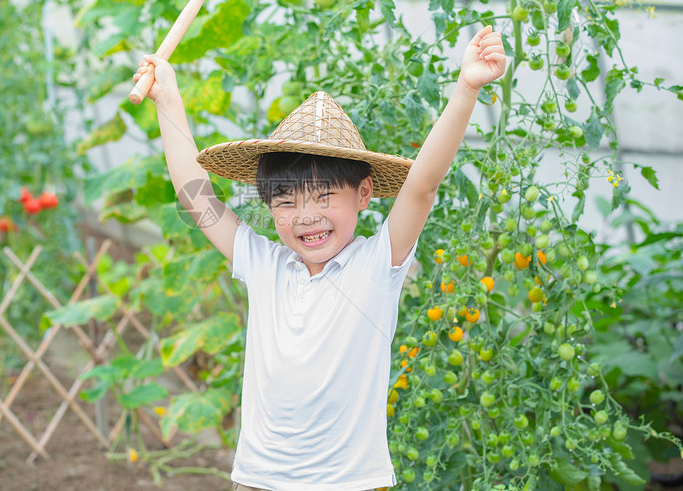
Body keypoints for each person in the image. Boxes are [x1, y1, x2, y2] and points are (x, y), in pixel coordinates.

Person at [132, 25, 506, 490]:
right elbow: (197, 199)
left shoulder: (375, 267)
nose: (307, 217)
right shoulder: (266, 265)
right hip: (258, 480)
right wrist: (168, 100)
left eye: (325, 196)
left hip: (346, 482)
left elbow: (423, 185)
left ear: (364, 193)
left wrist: (466, 89)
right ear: (268, 206)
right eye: (286, 202)